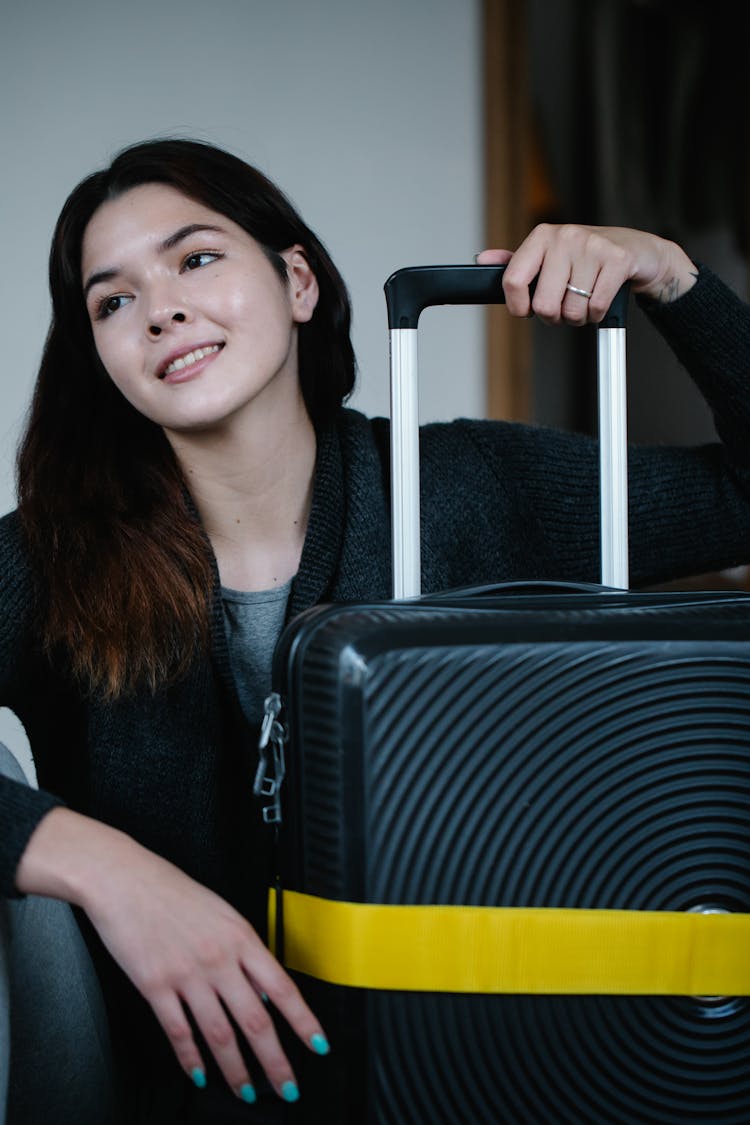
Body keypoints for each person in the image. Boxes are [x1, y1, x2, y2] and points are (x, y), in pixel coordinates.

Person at [1, 137, 749, 1125]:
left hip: (470, 1080)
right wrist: (104, 870)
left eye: (195, 258)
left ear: (298, 280)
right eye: (112, 301)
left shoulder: (473, 490)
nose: (160, 310)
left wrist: (673, 277)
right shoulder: (52, 563)